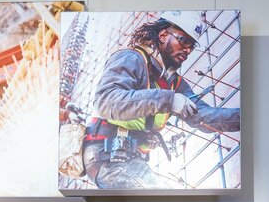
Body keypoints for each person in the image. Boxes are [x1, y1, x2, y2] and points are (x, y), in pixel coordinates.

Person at [82, 11, 240, 189]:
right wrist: (168, 100)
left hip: (132, 160)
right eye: (184, 41)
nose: (188, 50)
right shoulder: (132, 58)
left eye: (192, 46)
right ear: (163, 35)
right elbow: (107, 101)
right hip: (107, 155)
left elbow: (204, 116)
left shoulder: (174, 83)